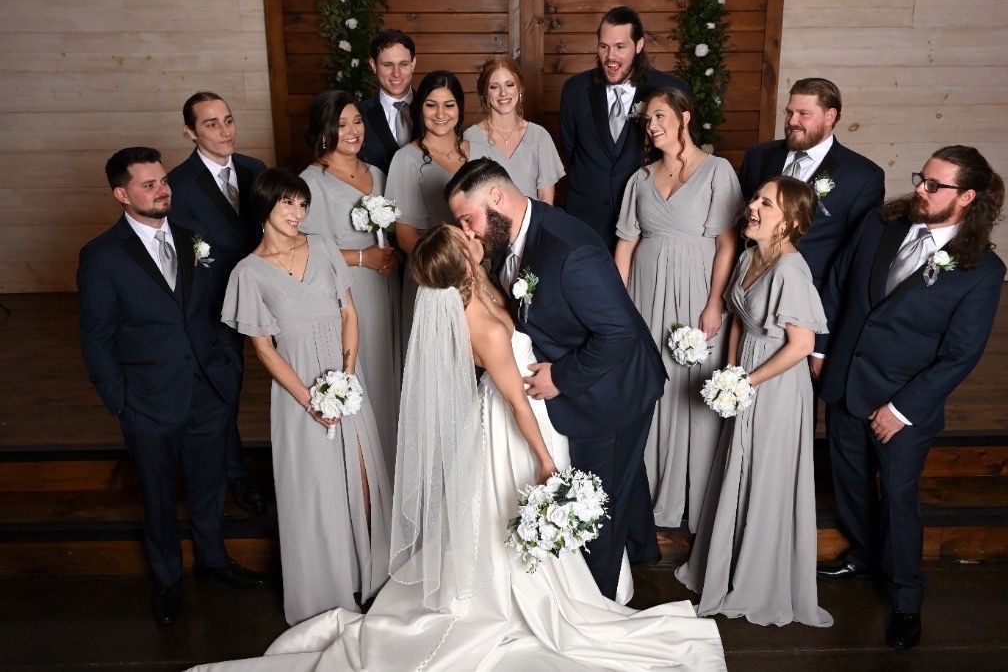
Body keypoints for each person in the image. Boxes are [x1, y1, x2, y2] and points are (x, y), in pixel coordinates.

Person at [191, 224, 727, 671]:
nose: (472, 234)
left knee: (496, 514)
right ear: (463, 261)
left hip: (517, 406)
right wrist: (544, 461)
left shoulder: (482, 289)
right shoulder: (483, 329)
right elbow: (518, 404)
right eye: (463, 234)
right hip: (516, 421)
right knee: (508, 512)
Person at [446, 158, 664, 602]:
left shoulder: (570, 250)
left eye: (468, 219)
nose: (467, 231)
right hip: (592, 376)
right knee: (625, 475)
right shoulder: (513, 235)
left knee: (598, 500)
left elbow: (618, 333)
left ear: (499, 199)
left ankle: (597, 608)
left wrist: (561, 378)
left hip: (612, 389)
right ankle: (642, 551)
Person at [816, 146, 1006, 650]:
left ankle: (905, 599)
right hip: (844, 382)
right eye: (922, 178)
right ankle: (862, 554)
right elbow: (838, 285)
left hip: (904, 405)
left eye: (935, 185)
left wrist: (901, 410)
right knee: (849, 479)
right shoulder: (882, 225)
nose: (921, 189)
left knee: (898, 498)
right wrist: (819, 346)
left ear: (966, 198)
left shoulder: (982, 270)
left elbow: (961, 354)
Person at [78, 147, 263, 628]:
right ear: (121, 194)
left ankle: (214, 561)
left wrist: (221, 366)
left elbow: (215, 310)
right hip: (147, 401)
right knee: (158, 495)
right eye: (148, 184)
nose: (162, 190)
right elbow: (96, 339)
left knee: (207, 487)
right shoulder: (101, 256)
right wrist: (120, 402)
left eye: (164, 181)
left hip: (206, 391)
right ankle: (167, 580)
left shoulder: (193, 239)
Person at [221, 169, 392, 626]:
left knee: (362, 481)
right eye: (287, 205)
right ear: (264, 209)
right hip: (298, 397)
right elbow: (263, 349)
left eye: (302, 204)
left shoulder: (321, 247)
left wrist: (348, 381)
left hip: (347, 388)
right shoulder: (248, 273)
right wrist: (311, 400)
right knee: (316, 493)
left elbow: (349, 314)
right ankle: (328, 589)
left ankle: (375, 580)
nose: (297, 214)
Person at [675, 177, 832, 628]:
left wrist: (747, 381)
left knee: (766, 474)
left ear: (792, 220)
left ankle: (759, 580)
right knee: (737, 468)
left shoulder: (790, 270)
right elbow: (740, 320)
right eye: (756, 198)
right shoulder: (748, 256)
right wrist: (728, 372)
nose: (753, 207)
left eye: (767, 203)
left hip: (778, 385)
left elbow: (801, 345)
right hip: (745, 373)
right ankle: (726, 568)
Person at [614, 87, 742, 531]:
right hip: (646, 295)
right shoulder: (640, 179)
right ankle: (646, 496)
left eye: (661, 116)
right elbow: (625, 246)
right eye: (648, 119)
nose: (652, 126)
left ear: (685, 117)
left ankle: (692, 497)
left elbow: (728, 244)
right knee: (652, 386)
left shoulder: (718, 171)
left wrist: (714, 304)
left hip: (696, 294)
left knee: (691, 390)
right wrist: (620, 308)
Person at [168, 91, 267, 515]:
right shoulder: (178, 184)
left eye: (228, 120)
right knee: (226, 390)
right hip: (214, 305)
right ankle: (234, 475)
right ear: (190, 131)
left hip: (267, 295)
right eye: (211, 124)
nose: (225, 131)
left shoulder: (254, 170)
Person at [300, 89, 402, 473]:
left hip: (386, 284)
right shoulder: (311, 183)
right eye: (341, 125)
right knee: (366, 376)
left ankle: (394, 465)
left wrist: (388, 255)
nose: (353, 131)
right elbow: (306, 252)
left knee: (391, 372)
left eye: (357, 121)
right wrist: (364, 258)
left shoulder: (376, 172)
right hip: (350, 293)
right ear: (324, 131)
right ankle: (366, 471)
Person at [559, 5, 690, 249]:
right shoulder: (574, 90)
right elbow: (570, 149)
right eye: (604, 46)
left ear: (639, 46)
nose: (611, 57)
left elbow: (680, 151)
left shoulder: (670, 89)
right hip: (586, 221)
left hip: (646, 223)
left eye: (620, 47)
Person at [739, 77, 884, 290]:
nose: (791, 121)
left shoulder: (863, 176)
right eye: (789, 112)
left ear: (829, 116)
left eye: (803, 114)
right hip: (748, 280)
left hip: (809, 290)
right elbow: (741, 220)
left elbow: (857, 253)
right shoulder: (758, 156)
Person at [385, 70, 472, 343]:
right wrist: (447, 268)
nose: (440, 114)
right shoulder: (405, 159)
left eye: (449, 105)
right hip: (431, 275)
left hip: (478, 270)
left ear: (460, 107)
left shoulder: (480, 151)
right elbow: (404, 234)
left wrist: (474, 264)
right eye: (431, 105)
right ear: (419, 107)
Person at [465, 55, 563, 203]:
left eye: (510, 84)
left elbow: (546, 201)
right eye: (494, 87)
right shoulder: (470, 138)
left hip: (532, 225)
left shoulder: (539, 136)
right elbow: (467, 199)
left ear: (519, 88)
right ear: (485, 93)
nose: (503, 93)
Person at [358, 29, 416, 175]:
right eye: (388, 65)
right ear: (373, 65)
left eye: (403, 64)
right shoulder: (359, 115)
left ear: (413, 64)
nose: (396, 73)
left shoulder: (433, 110)